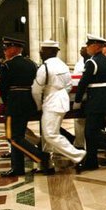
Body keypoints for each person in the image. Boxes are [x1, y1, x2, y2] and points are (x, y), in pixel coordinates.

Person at [0, 37, 52, 177]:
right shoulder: (32, 64)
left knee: (13, 137)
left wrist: (6, 104)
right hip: (28, 103)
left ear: (15, 49)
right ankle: (17, 168)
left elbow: (3, 88)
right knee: (19, 136)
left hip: (14, 104)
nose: (4, 51)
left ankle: (41, 157)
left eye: (6, 48)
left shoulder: (8, 65)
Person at [73, 34, 106, 172]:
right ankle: (91, 161)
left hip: (95, 102)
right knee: (92, 131)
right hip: (105, 101)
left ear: (96, 46)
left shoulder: (92, 62)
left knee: (90, 132)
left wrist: (77, 100)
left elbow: (83, 83)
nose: (87, 48)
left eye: (89, 45)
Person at [31, 40, 86, 168]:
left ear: (49, 51)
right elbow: (69, 85)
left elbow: (36, 90)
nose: (40, 52)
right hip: (62, 101)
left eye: (42, 50)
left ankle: (77, 155)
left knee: (50, 134)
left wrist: (38, 105)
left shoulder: (45, 67)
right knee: (48, 133)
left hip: (51, 103)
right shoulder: (63, 65)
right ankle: (47, 162)